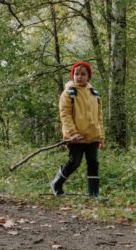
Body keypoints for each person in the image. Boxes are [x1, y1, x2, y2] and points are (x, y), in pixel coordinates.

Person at [50, 61, 104, 197]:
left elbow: (99, 117)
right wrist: (72, 133)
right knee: (74, 162)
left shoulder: (94, 93)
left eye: (83, 74)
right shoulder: (69, 93)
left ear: (88, 76)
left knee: (94, 163)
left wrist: (101, 136)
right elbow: (65, 114)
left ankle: (94, 193)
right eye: (76, 74)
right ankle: (56, 183)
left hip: (92, 136)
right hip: (76, 137)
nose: (79, 77)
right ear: (72, 75)